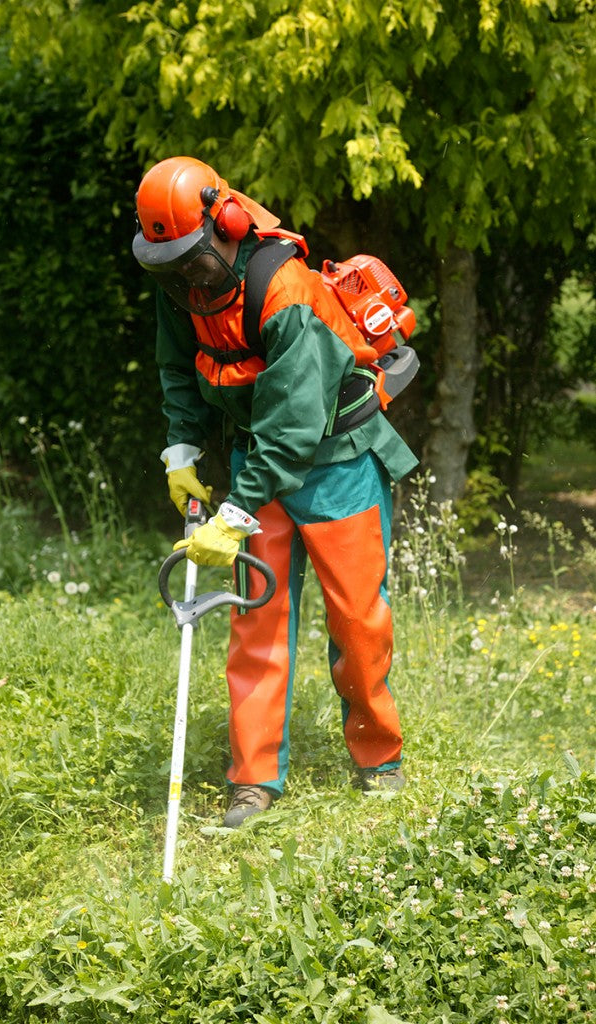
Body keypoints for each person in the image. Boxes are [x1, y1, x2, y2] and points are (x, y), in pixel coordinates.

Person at [132, 156, 419, 828]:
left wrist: (231, 514)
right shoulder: (181, 285)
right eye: (166, 266)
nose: (183, 280)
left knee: (357, 621)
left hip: (337, 459)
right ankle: (253, 780)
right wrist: (181, 450)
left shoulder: (284, 289)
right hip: (259, 462)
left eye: (191, 261)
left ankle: (379, 759)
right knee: (256, 621)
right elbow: (178, 367)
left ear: (226, 225)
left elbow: (292, 428)